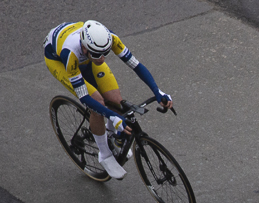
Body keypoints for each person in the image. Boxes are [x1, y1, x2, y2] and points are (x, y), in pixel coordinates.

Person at [43, 20, 173, 179]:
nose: (102, 58)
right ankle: (104, 155)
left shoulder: (109, 40)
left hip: (83, 50)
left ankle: (111, 135)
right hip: (58, 60)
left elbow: (136, 65)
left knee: (116, 101)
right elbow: (84, 97)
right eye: (98, 54)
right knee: (97, 104)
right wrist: (111, 116)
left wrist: (157, 91)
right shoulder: (70, 54)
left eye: (106, 53)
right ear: (84, 47)